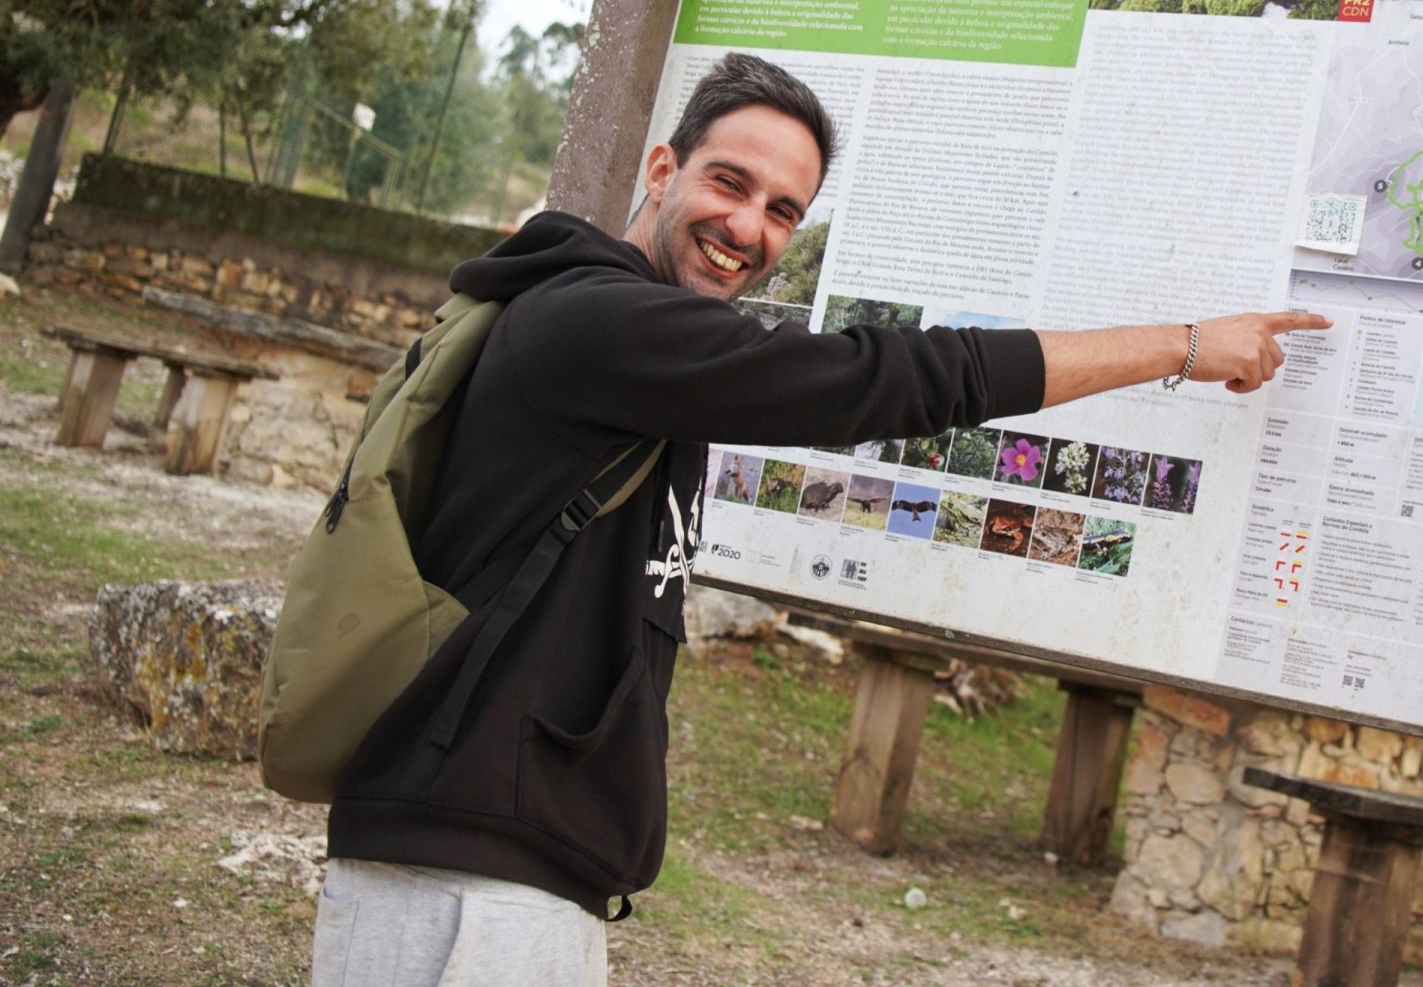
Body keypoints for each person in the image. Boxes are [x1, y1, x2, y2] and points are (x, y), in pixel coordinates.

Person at [311, 52, 1330, 985]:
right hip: (469, 881)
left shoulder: (628, 345)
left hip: (503, 858)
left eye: (783, 210)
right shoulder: (596, 322)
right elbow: (890, 377)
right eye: (730, 183)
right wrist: (1183, 346)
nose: (748, 228)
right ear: (662, 168)